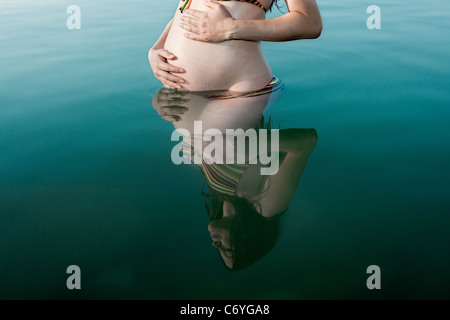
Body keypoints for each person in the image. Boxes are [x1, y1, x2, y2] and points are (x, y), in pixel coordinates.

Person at [152, 88, 318, 270]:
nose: (216, 244)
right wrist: (252, 147)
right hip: (239, 91)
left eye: (218, 250)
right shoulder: (266, 206)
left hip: (202, 89)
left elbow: (192, 132)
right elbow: (307, 141)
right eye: (227, 249)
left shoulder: (219, 192)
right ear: (249, 239)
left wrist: (161, 106)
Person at [148, 0, 322, 93]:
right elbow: (185, 9)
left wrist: (229, 28)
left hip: (238, 92)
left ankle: (295, 145)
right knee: (203, 156)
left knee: (217, 153)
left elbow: (310, 23)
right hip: (179, 90)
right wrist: (156, 48)